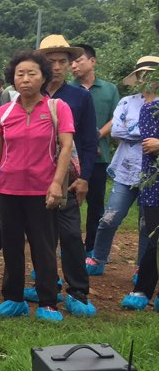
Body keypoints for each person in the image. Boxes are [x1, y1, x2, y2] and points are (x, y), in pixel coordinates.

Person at [0, 51, 75, 322]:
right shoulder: (4, 112)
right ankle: (13, 298)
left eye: (32, 74)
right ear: (13, 79)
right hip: (8, 189)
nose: (25, 79)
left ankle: (48, 301)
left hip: (42, 190)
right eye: (20, 74)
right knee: (11, 245)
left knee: (44, 246)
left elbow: (66, 147)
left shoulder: (57, 108)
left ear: (43, 77)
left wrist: (57, 184)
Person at [26, 35, 97, 316]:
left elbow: (89, 141)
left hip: (67, 177)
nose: (56, 67)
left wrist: (85, 177)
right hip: (31, 176)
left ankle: (78, 290)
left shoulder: (79, 96)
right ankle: (47, 286)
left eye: (62, 61)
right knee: (40, 235)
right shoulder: (28, 93)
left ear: (70, 65)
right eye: (50, 61)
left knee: (69, 234)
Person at [88, 56, 158, 278]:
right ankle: (98, 258)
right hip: (126, 169)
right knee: (110, 217)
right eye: (142, 74)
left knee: (147, 224)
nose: (146, 78)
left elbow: (125, 131)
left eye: (151, 74)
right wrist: (149, 135)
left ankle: (142, 267)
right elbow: (117, 130)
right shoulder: (127, 102)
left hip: (153, 173)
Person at [71, 43, 120, 255]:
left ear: (92, 61)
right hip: (71, 157)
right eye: (71, 62)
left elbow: (117, 118)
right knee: (69, 204)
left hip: (99, 158)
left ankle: (91, 247)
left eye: (78, 60)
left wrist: (95, 136)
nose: (73, 66)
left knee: (96, 204)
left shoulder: (110, 89)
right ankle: (70, 246)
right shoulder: (68, 90)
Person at [121, 58, 159, 310]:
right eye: (144, 76)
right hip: (154, 179)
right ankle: (144, 288)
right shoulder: (148, 109)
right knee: (154, 235)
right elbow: (149, 143)